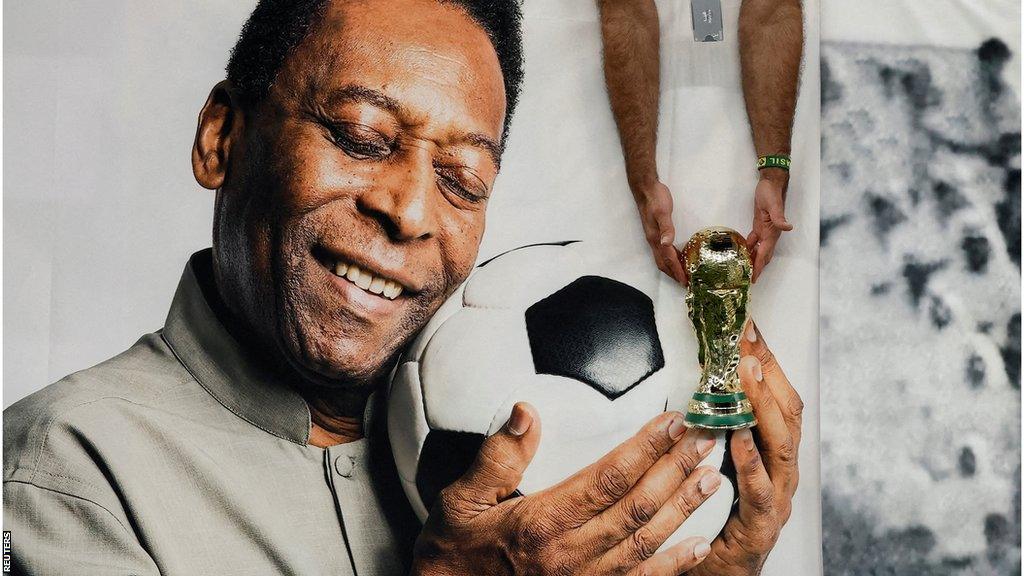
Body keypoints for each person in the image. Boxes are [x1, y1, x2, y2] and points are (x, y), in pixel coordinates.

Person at [3, 0, 800, 574]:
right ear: (223, 137)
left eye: (463, 179)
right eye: (361, 137)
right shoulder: (65, 470)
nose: (411, 210)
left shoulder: (529, 461)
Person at [599, 0, 803, 284]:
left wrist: (775, 171)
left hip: (764, 124)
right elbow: (626, 10)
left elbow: (773, 10)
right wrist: (642, 180)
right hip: (629, 134)